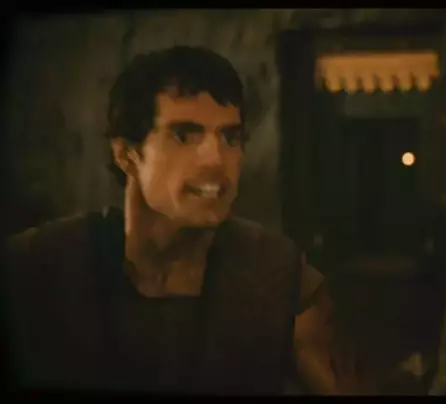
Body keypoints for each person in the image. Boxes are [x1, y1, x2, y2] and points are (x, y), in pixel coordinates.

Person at [2, 46, 372, 395]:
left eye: (230, 137)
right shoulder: (41, 264)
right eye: (184, 135)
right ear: (127, 155)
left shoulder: (278, 275)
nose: (216, 159)